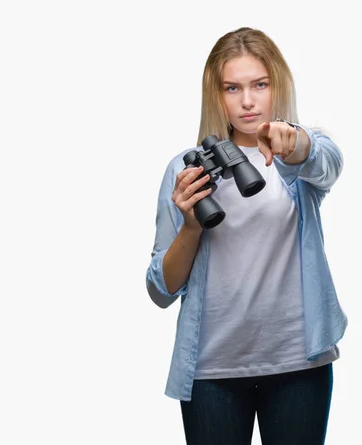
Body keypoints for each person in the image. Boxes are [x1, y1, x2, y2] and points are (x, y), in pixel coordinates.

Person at [146, 26, 348, 445]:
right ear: (215, 95)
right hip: (212, 369)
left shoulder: (299, 158)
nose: (248, 100)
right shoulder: (185, 173)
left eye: (260, 84)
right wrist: (191, 224)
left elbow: (328, 163)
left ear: (278, 85)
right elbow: (161, 291)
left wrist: (298, 143)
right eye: (232, 88)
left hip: (298, 362)